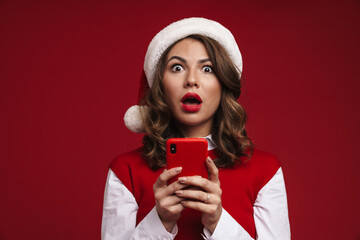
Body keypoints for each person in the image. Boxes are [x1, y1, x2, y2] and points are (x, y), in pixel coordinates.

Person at [101, 17, 290, 239]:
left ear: (223, 83)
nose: (192, 80)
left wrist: (218, 222)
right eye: (177, 67)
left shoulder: (265, 171)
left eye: (207, 68)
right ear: (160, 85)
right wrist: (159, 221)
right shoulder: (126, 171)